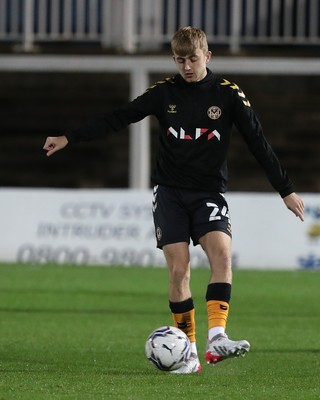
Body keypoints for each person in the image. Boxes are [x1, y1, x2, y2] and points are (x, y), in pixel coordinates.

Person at [43, 27, 305, 374]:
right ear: (174, 59)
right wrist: (69, 138)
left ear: (207, 57)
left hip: (209, 192)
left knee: (222, 255)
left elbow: (258, 142)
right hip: (170, 193)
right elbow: (120, 117)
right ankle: (189, 355)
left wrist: (285, 189)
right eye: (180, 60)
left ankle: (217, 339)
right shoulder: (163, 93)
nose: (187, 66)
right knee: (179, 270)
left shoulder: (228, 95)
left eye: (193, 59)